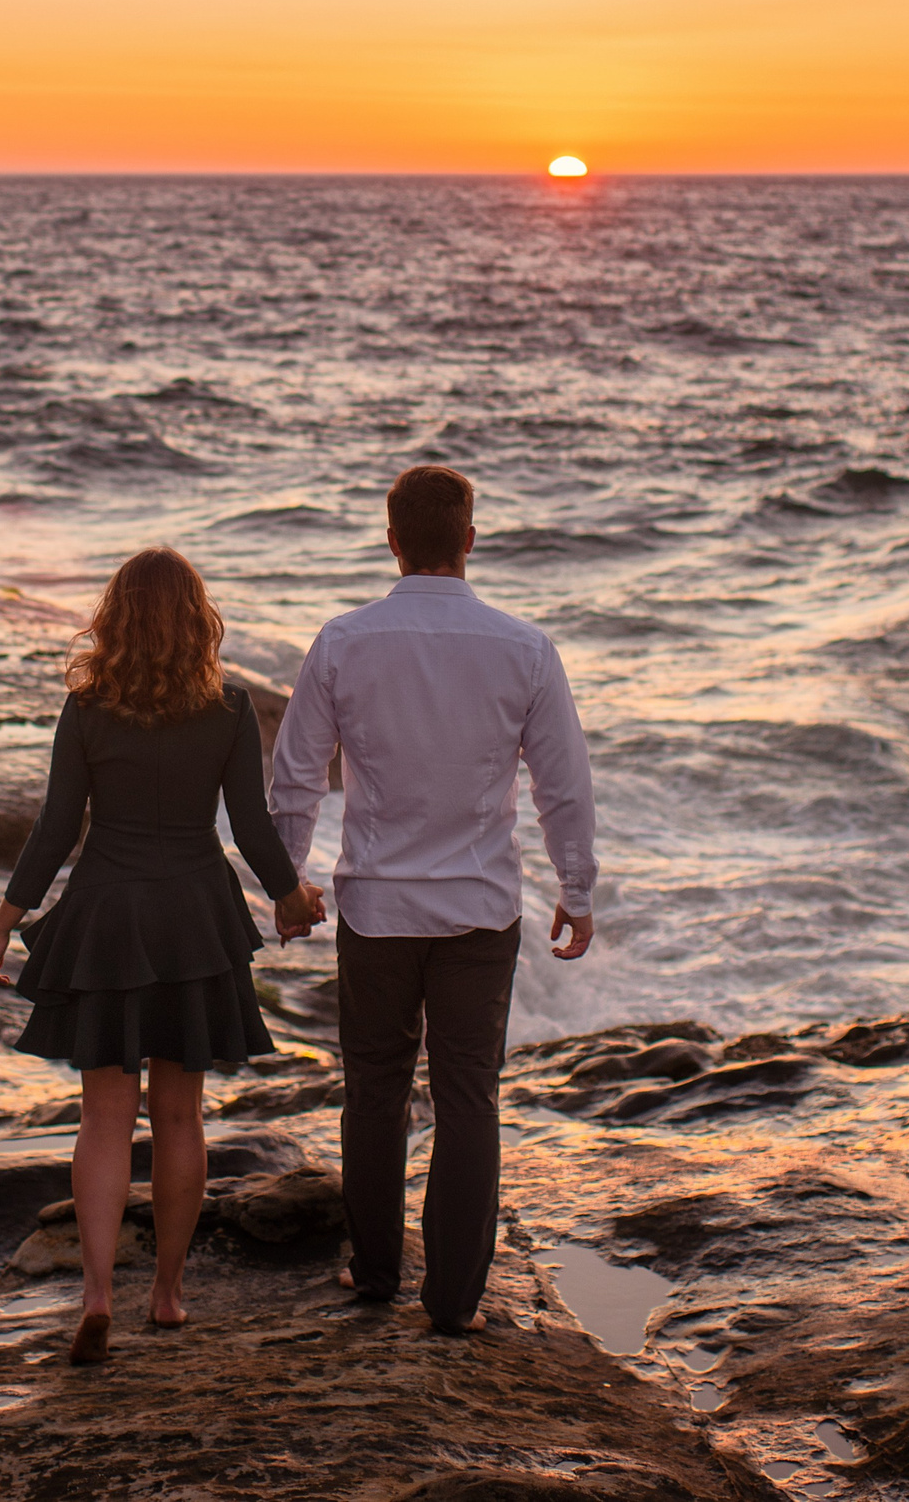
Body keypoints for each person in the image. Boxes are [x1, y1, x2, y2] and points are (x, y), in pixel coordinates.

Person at [267, 465, 597, 1337]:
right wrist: (579, 888)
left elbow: (294, 774)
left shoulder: (342, 642)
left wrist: (288, 882)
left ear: (391, 541)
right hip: (480, 908)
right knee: (468, 1096)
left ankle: (375, 1273)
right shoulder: (523, 647)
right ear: (470, 541)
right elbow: (563, 786)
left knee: (372, 1091)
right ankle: (453, 1301)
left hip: (375, 907)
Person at [0, 548, 326, 1366]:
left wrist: (5, 920)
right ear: (196, 619)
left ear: (117, 618)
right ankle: (167, 1294)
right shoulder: (230, 709)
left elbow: (56, 827)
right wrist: (288, 896)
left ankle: (97, 1292)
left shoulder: (88, 707)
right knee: (179, 1114)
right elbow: (249, 826)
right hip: (195, 915)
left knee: (103, 1114)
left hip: (106, 913)